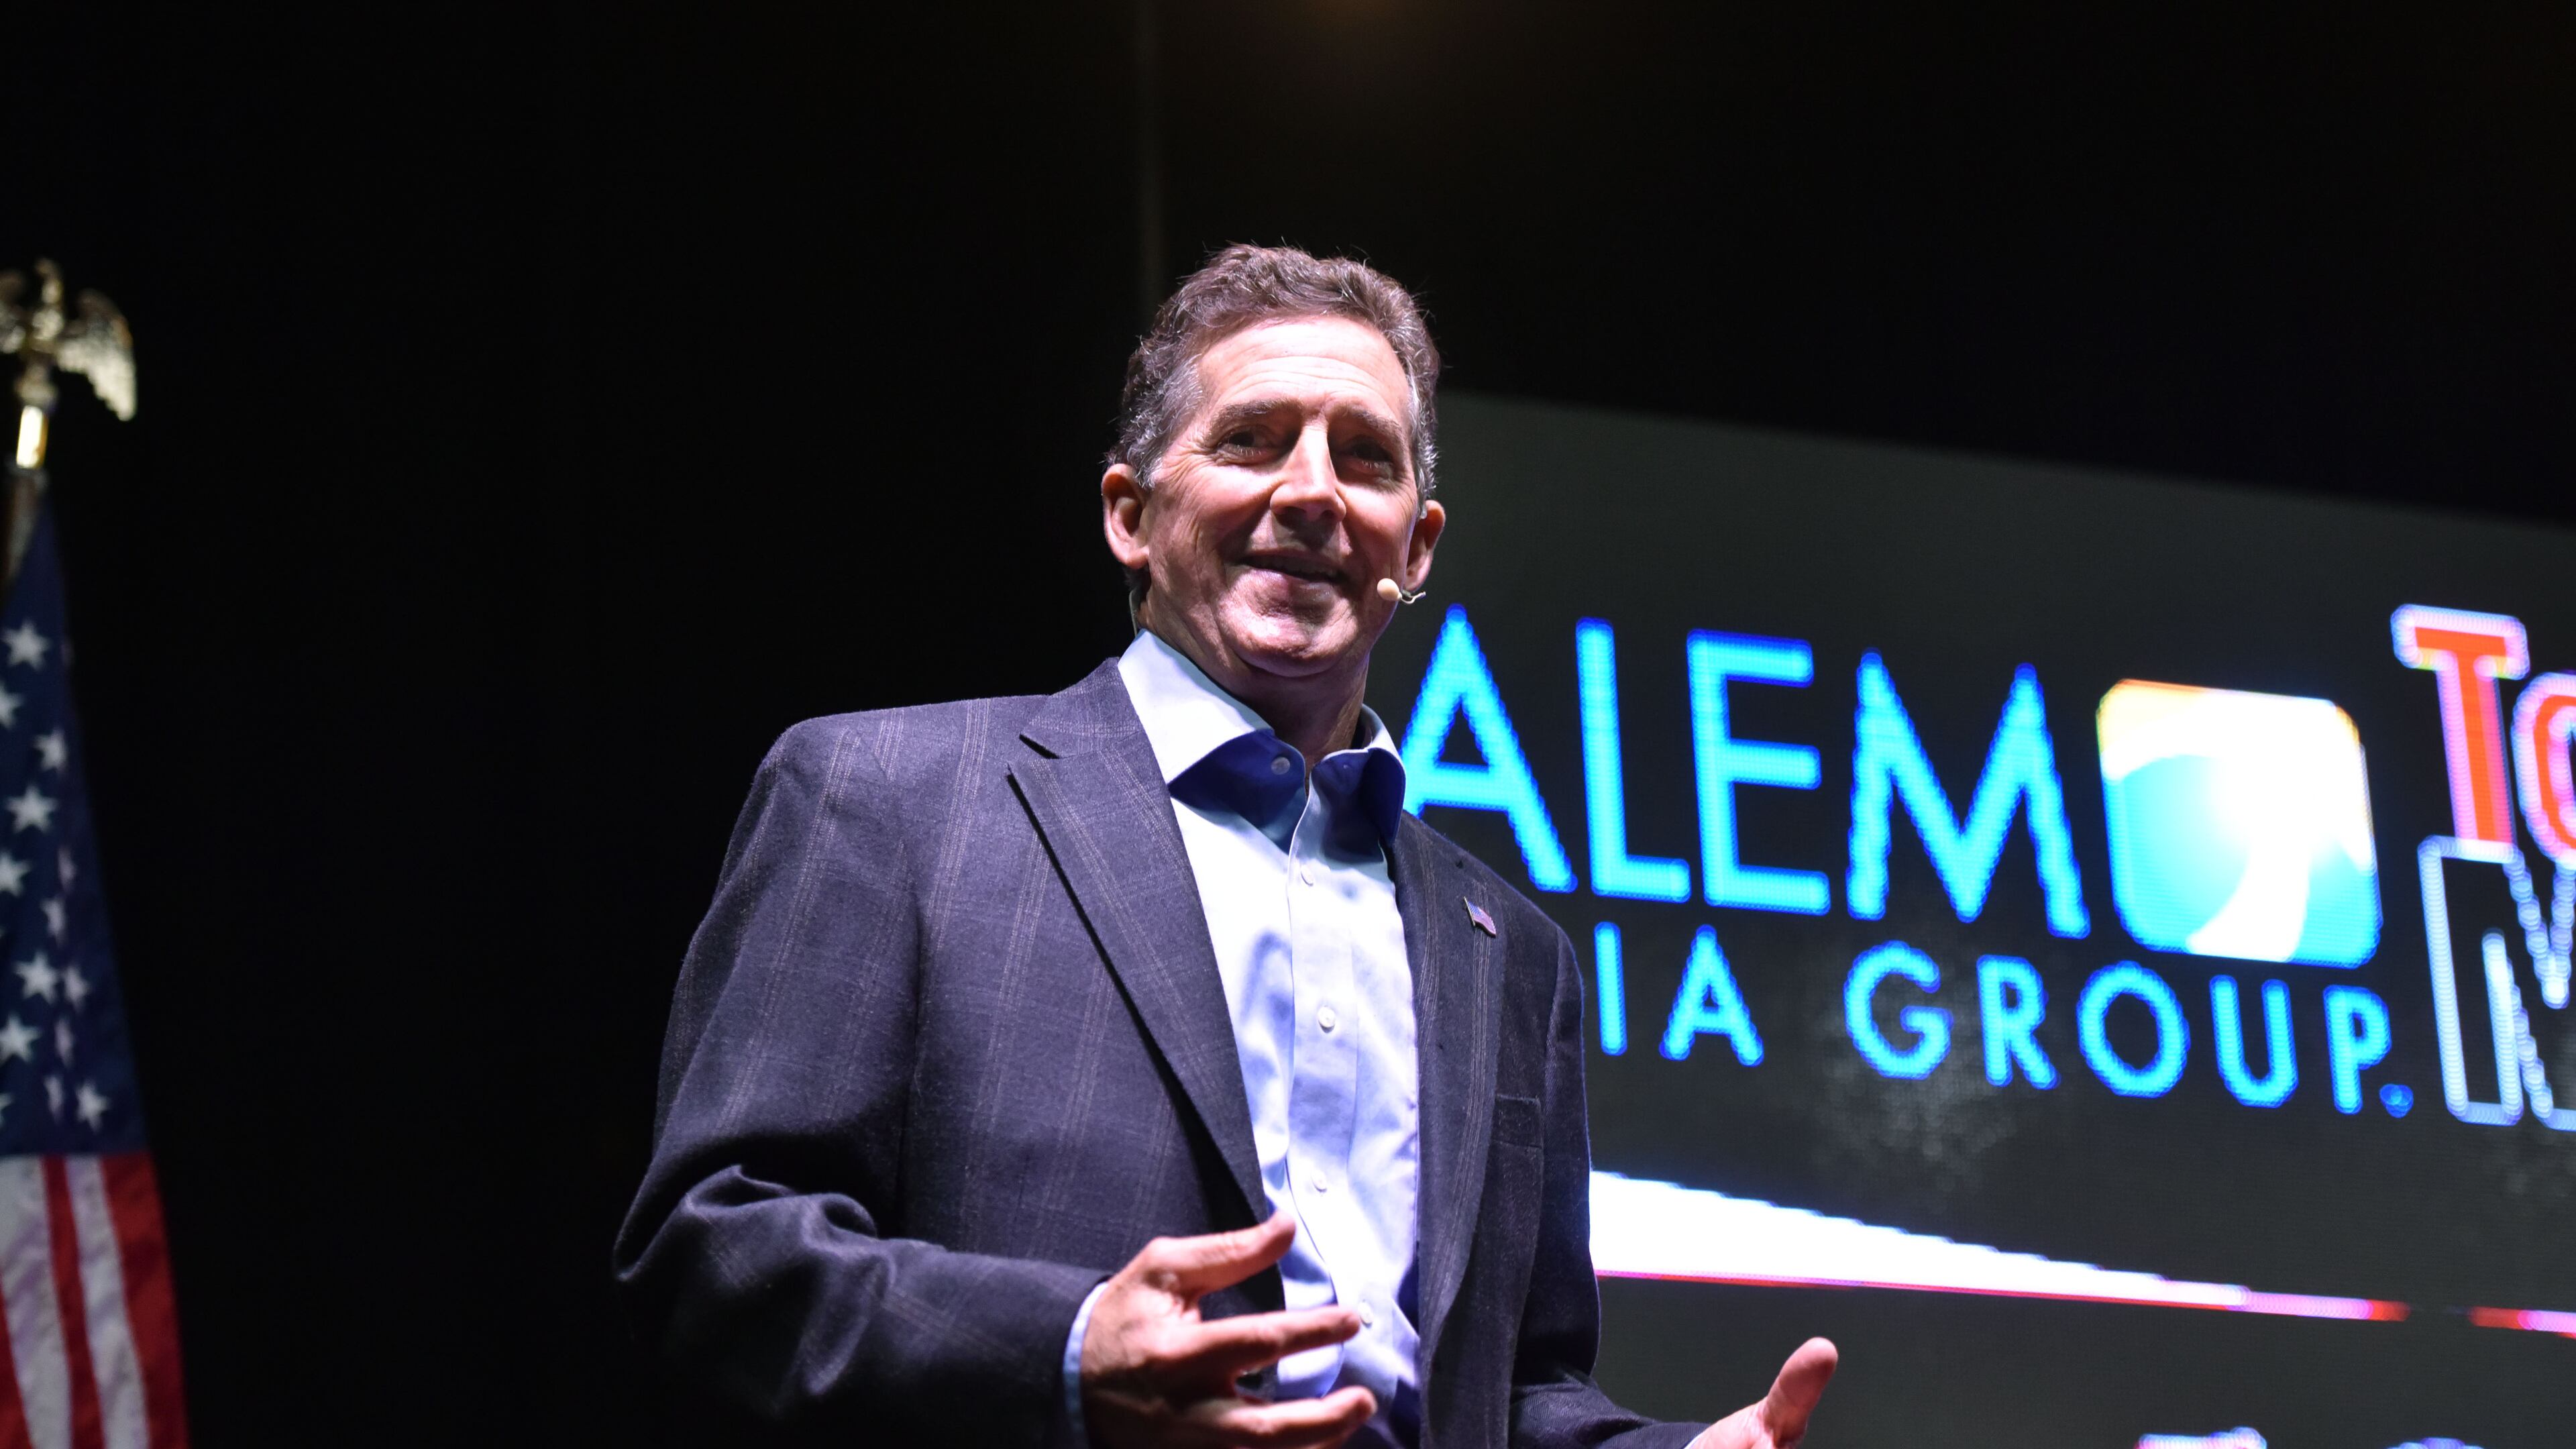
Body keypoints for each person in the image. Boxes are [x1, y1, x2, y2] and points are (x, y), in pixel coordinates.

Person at [614, 244, 1837, 1448]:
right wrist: (1067, 1350)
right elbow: (717, 1251)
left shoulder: (1512, 950)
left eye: (1367, 456)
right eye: (1251, 438)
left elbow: (1514, 1394)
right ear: (1130, 516)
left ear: (1414, 547)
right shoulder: (886, 799)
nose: (1312, 491)